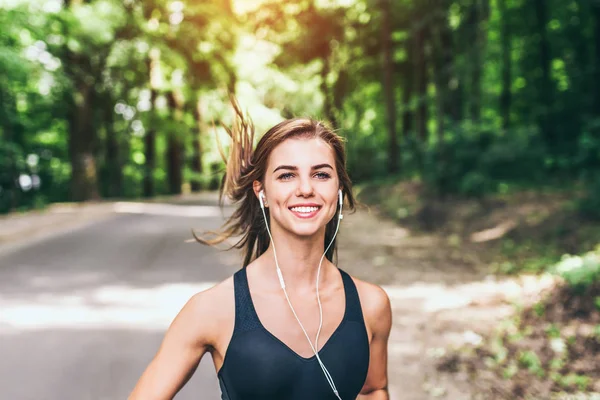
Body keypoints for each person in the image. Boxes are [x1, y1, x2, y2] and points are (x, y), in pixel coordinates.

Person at [129, 100, 392, 400]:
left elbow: (373, 390)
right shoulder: (213, 309)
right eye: (286, 175)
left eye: (321, 174)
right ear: (262, 192)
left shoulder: (371, 305)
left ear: (339, 190)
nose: (306, 188)